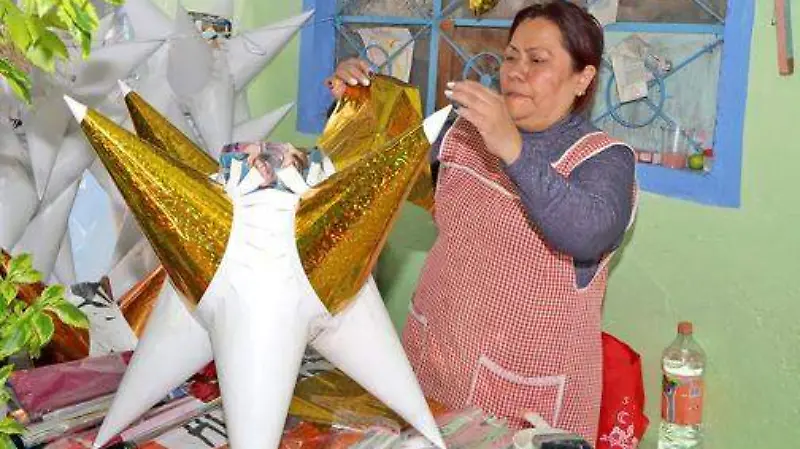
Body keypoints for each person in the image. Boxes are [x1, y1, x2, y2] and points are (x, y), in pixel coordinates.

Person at [327, 1, 637, 442]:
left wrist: (513, 149)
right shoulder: (465, 132)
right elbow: (374, 169)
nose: (516, 70)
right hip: (435, 360)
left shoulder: (605, 159)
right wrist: (353, 103)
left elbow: (586, 235)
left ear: (583, 78)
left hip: (529, 398)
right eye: (511, 56)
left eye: (538, 60)